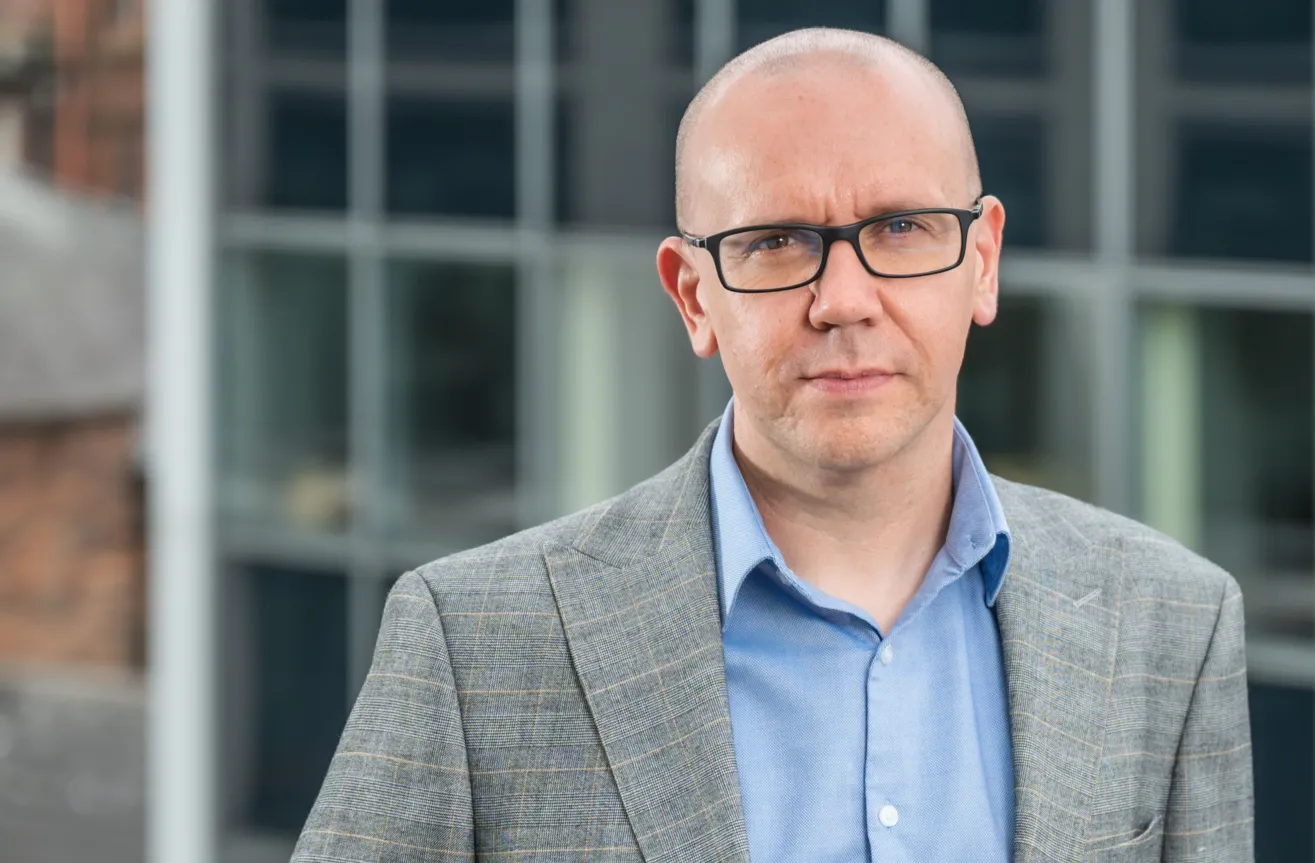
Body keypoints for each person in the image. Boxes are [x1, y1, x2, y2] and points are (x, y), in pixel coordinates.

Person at [292, 27, 1253, 863]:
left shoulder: (1173, 625)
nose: (842, 300)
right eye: (776, 242)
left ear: (983, 261)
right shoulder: (476, 645)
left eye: (904, 227)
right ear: (692, 295)